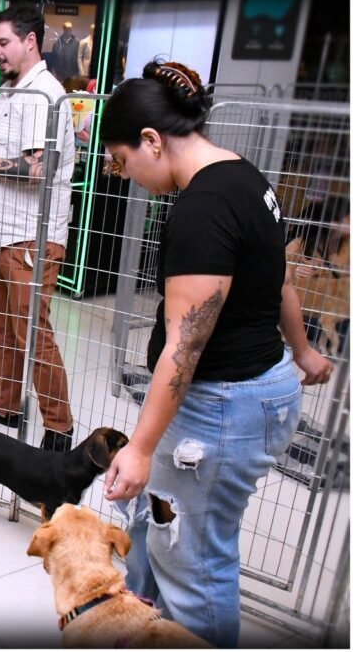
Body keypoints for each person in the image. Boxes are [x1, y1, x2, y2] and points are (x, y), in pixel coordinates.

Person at [98, 60, 334, 647]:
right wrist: (302, 351)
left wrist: (143, 447)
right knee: (160, 535)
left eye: (123, 162)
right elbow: (277, 278)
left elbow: (186, 344)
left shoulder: (200, 210)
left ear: (152, 141)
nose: (125, 176)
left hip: (220, 409)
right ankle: (140, 626)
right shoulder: (246, 177)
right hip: (259, 385)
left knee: (195, 567)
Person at [0, 3, 76, 451]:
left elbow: (39, 167)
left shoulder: (47, 96)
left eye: (3, 43)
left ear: (30, 41)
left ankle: (60, 427)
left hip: (29, 236)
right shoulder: (13, 91)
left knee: (33, 335)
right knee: (0, 327)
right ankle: (6, 405)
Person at [285, 195, 350, 353]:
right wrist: (295, 269)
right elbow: (281, 263)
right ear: (334, 221)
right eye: (348, 218)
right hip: (306, 308)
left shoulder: (347, 245)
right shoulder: (303, 243)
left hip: (337, 308)